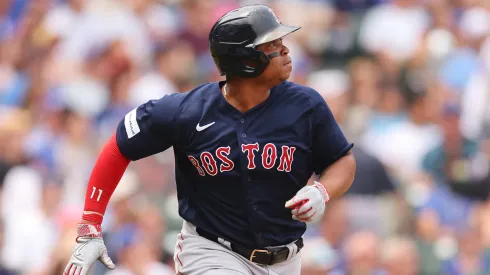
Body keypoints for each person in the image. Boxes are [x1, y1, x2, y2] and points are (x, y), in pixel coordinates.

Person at [63, 4, 356, 275]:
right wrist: (90, 224)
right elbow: (119, 145)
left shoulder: (306, 105)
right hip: (212, 251)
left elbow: (341, 159)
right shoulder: (186, 111)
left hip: (286, 260)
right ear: (246, 60)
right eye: (272, 45)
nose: (285, 51)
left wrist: (322, 191)